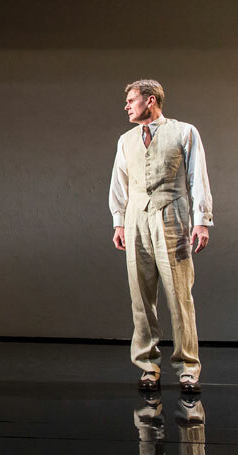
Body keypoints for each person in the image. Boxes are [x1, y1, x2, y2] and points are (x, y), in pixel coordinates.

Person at [109, 79, 213, 393]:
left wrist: (202, 220)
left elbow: (198, 176)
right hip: (137, 216)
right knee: (141, 296)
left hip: (174, 215)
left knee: (180, 295)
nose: (127, 106)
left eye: (131, 100)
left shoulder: (184, 132)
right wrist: (119, 222)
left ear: (151, 100)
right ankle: (147, 367)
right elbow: (120, 182)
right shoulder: (126, 140)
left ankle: (187, 369)